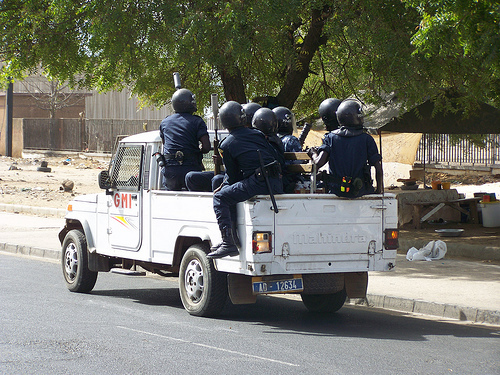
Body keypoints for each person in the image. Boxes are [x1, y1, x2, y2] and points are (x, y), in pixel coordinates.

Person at [208, 101, 283, 259]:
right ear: (243, 118)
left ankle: (228, 243)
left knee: (220, 198)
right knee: (227, 193)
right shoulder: (257, 134)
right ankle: (231, 241)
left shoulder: (226, 144)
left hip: (259, 183)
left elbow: (233, 177)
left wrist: (223, 187)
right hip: (276, 182)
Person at [308, 99, 383, 198]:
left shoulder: (330, 138)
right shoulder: (367, 139)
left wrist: (313, 153)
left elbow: (318, 163)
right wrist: (378, 190)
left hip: (336, 192)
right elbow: (378, 168)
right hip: (361, 191)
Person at [185, 102, 261, 192]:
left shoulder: (260, 138)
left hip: (249, 178)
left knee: (217, 180)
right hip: (235, 174)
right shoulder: (235, 138)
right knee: (191, 177)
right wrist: (223, 161)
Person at [159, 88, 211, 190]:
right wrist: (198, 150)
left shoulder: (165, 122)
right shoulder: (197, 121)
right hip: (191, 170)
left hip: (171, 171)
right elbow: (207, 147)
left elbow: (166, 145)